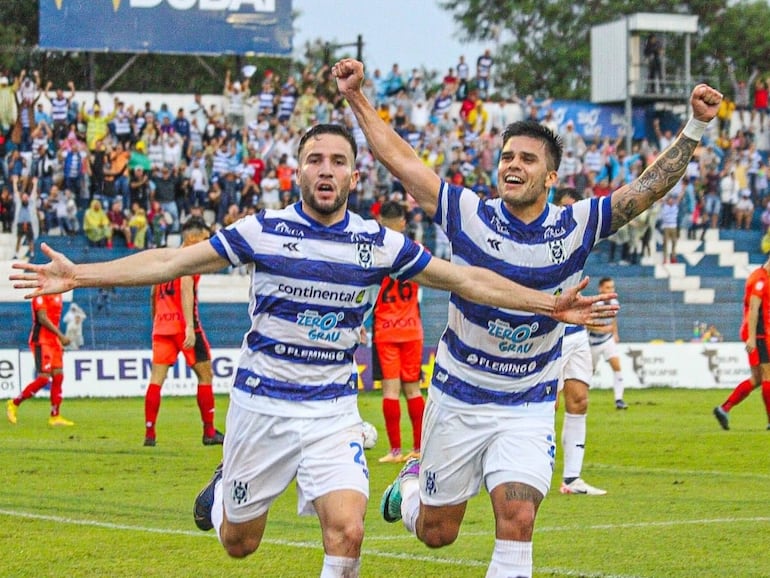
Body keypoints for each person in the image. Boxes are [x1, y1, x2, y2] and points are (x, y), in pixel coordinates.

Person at [10, 123, 617, 578]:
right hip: (262, 407)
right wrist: (81, 275)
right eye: (313, 160)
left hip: (331, 410)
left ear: (355, 177)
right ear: (297, 173)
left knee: (349, 532)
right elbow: (169, 260)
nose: (325, 170)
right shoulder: (263, 231)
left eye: (338, 162)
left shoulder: (379, 244)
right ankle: (226, 489)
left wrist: (547, 306)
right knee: (238, 542)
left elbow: (467, 280)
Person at [333, 57, 720, 577]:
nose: (513, 165)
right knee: (436, 532)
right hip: (459, 397)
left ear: (552, 176)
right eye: (507, 156)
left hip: (529, 402)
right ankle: (409, 485)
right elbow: (402, 162)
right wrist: (357, 95)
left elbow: (644, 191)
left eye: (527, 159)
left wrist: (695, 126)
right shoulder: (467, 214)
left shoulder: (577, 224)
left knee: (517, 518)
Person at [144, 217, 224, 447]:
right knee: (205, 375)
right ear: (192, 237)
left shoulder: (167, 259)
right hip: (185, 326)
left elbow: (152, 293)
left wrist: (156, 322)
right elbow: (186, 287)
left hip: (162, 326)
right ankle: (209, 432)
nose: (206, 241)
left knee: (156, 380)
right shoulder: (189, 259)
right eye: (203, 237)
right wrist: (189, 326)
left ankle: (150, 434)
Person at [553, 189, 606, 496]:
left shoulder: (581, 238)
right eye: (565, 209)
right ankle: (529, 471)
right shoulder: (542, 238)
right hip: (551, 331)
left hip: (576, 332)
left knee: (579, 400)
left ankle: (572, 479)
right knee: (549, 404)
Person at [372, 201, 426, 464]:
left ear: (380, 221)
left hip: (385, 329)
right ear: (404, 223)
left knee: (390, 391)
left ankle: (395, 451)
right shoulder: (416, 251)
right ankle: (418, 448)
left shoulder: (374, 255)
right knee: (414, 390)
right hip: (412, 329)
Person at [713, 256, 770, 431]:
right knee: (767, 375)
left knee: (757, 379)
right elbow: (753, 310)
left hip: (761, 332)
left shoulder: (763, 277)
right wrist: (752, 337)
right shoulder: (760, 279)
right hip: (759, 334)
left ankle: (724, 409)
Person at [6, 289, 73, 426]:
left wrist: (57, 340)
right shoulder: (40, 294)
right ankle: (14, 403)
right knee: (43, 378)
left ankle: (55, 416)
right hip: (41, 340)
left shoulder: (58, 293)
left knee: (58, 375)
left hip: (53, 341)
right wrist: (60, 335)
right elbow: (42, 318)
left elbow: (55, 319)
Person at [588, 277, 626, 410]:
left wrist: (615, 333)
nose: (611, 290)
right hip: (593, 342)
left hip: (608, 340)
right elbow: (587, 325)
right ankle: (581, 397)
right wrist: (603, 329)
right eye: (608, 287)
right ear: (600, 289)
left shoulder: (614, 302)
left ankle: (619, 399)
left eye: (612, 287)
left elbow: (613, 318)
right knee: (588, 372)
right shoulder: (594, 305)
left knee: (617, 366)